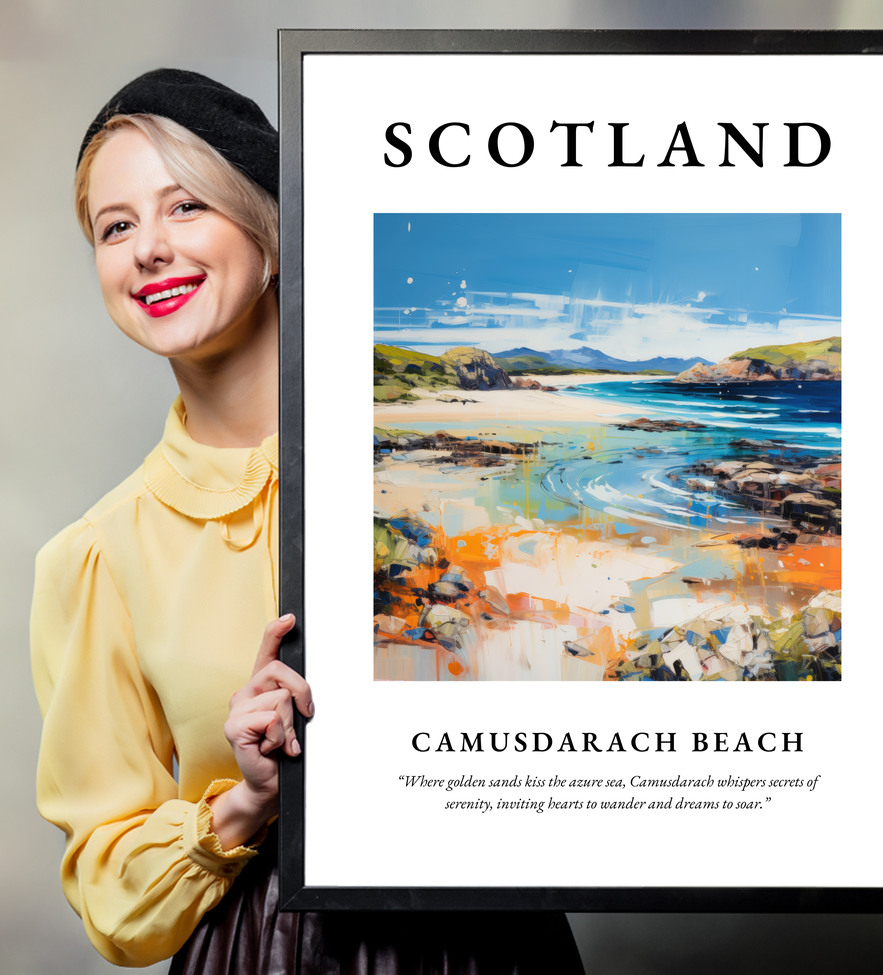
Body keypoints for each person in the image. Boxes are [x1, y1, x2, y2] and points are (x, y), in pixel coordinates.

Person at [30, 69, 585, 973]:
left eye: (185, 208)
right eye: (116, 226)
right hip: (263, 950)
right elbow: (110, 894)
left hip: (493, 941)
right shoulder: (97, 556)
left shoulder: (441, 470)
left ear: (273, 233)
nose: (148, 250)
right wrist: (245, 801)